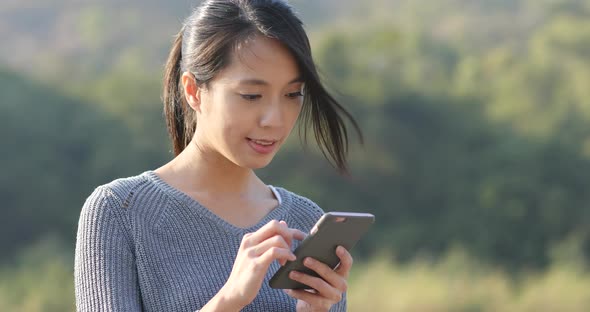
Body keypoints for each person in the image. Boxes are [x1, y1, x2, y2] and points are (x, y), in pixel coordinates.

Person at [74, 0, 362, 311]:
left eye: (293, 94)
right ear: (194, 91)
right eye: (251, 95)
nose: (275, 120)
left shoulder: (305, 221)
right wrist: (229, 299)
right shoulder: (120, 211)